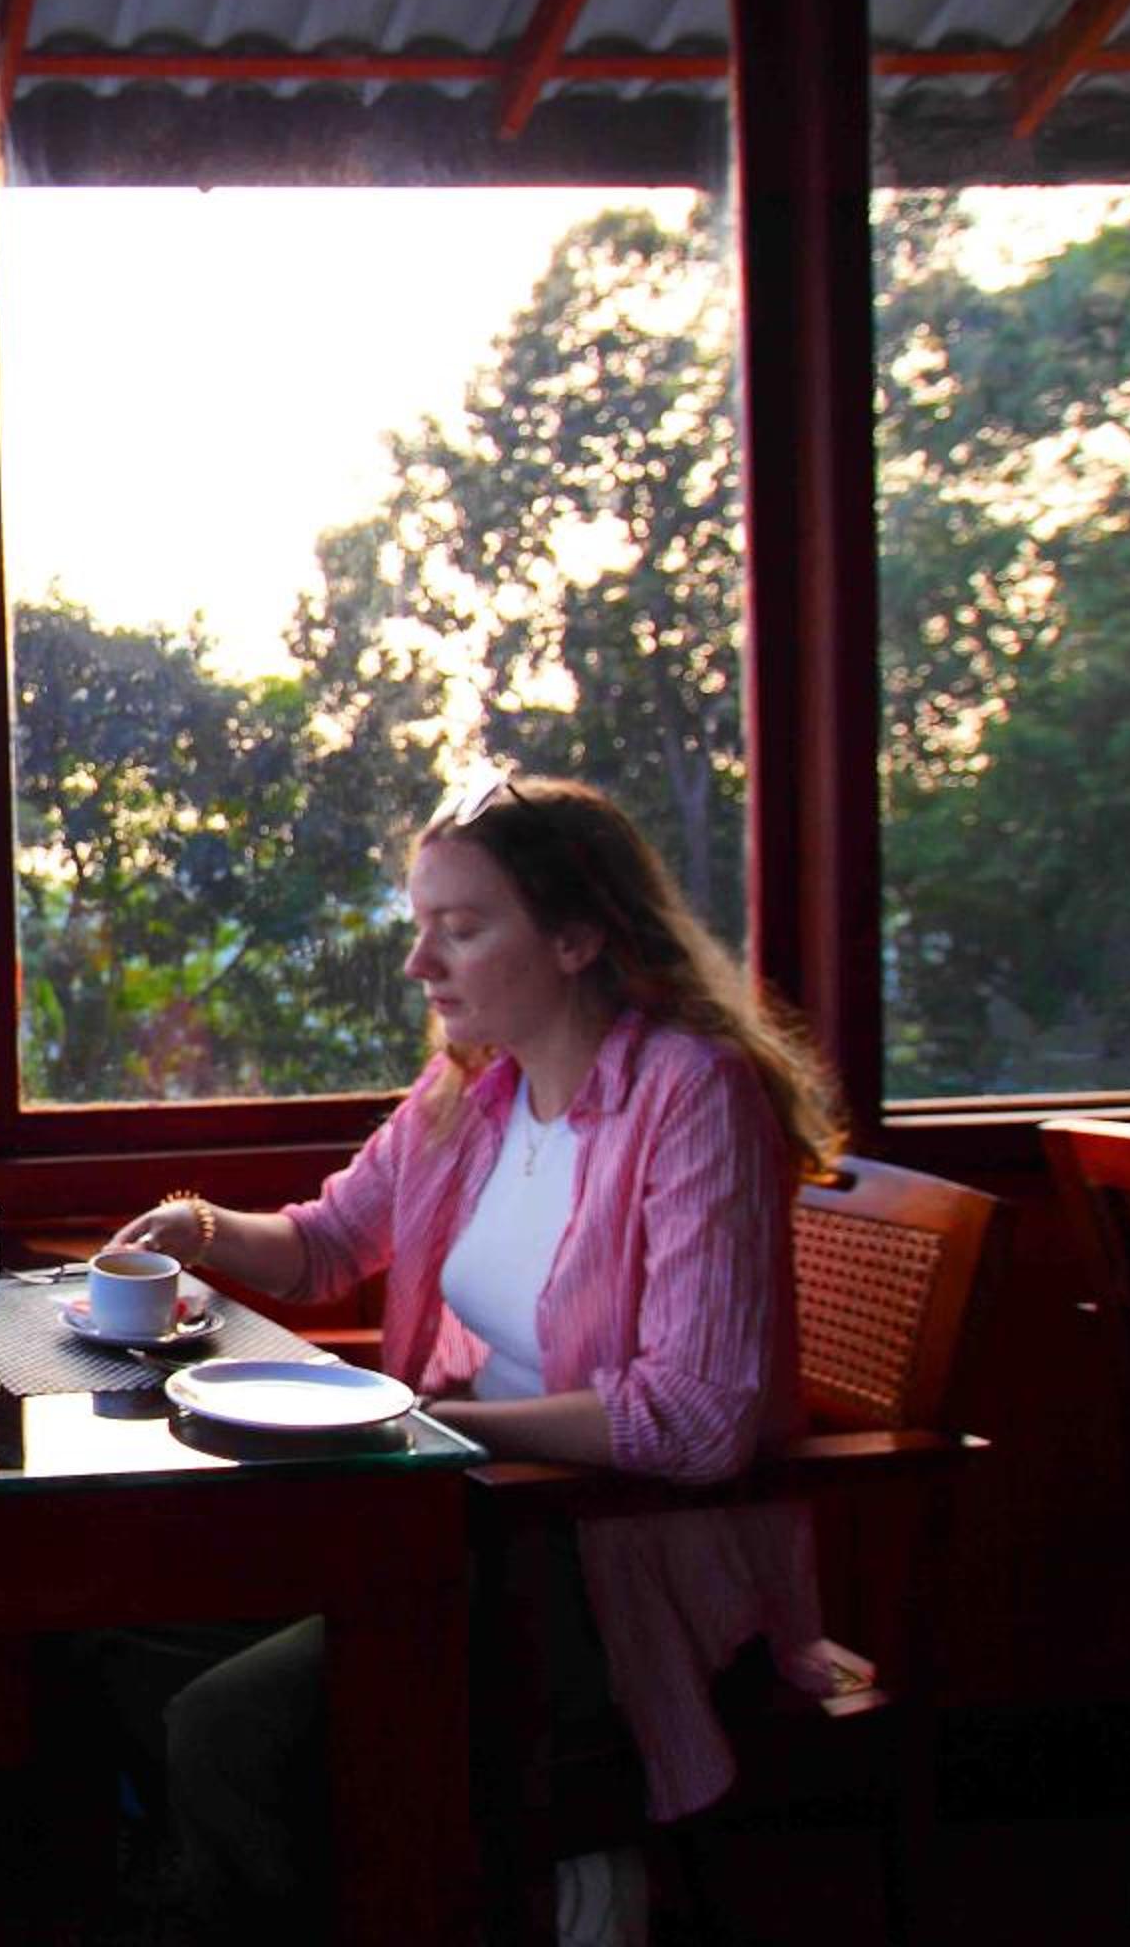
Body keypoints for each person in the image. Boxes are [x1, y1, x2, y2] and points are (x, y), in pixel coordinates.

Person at [96, 769, 846, 1941]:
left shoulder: (694, 1094)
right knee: (121, 1623)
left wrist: (414, 1422)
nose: (419, 963)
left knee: (226, 1727)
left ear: (577, 937)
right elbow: (327, 1243)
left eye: (460, 927)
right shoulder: (472, 1088)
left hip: (603, 1551)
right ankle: (423, 1878)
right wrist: (193, 1224)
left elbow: (698, 1418)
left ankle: (466, 1873)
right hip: (461, 1510)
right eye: (420, 926)